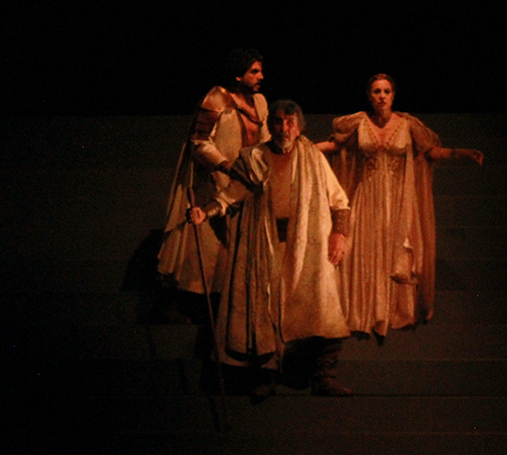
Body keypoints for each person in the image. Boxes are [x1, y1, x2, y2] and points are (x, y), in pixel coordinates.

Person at [188, 100, 352, 401]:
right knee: (267, 310)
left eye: (290, 122)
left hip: (309, 245)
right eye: (277, 122)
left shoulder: (313, 157)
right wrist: (207, 212)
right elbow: (231, 194)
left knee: (324, 308)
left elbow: (339, 200)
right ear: (271, 126)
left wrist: (339, 234)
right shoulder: (254, 158)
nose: (283, 128)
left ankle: (323, 376)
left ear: (299, 126)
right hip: (266, 245)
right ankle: (267, 376)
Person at [315, 74, 483, 339]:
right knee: (362, 249)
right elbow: (336, 145)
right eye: (376, 91)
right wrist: (304, 150)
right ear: (369, 96)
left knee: (395, 251)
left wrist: (459, 153)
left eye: (386, 91)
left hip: (398, 199)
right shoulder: (358, 123)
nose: (382, 96)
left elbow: (430, 151)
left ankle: (393, 310)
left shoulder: (407, 125)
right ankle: (361, 312)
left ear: (393, 95)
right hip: (367, 195)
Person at [157, 48, 269, 318]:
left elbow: (263, 138)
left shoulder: (261, 102)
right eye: (254, 71)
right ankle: (193, 304)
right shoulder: (216, 98)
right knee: (209, 247)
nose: (261, 76)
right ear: (238, 74)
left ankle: (232, 304)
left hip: (248, 182)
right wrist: (226, 166)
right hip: (215, 180)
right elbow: (198, 142)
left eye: (260, 70)